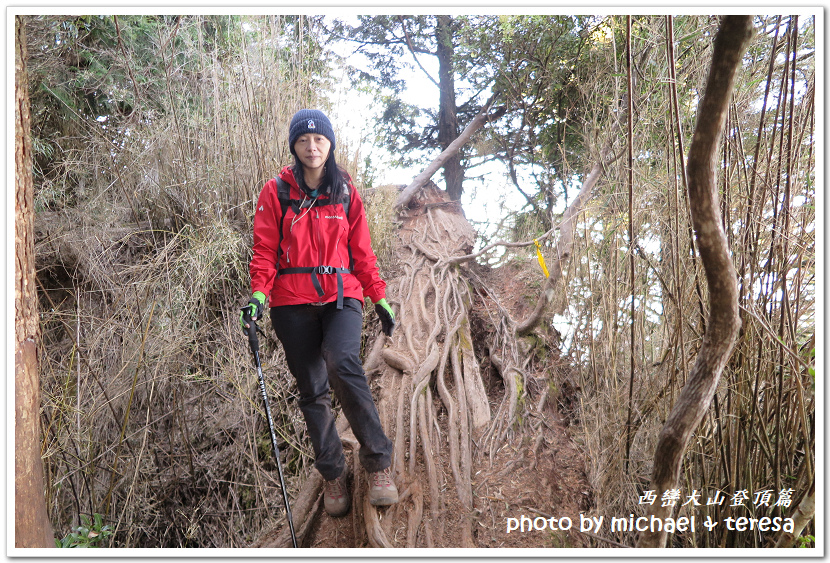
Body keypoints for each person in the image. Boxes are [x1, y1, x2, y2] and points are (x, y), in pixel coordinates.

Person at [241, 109, 398, 517]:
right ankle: (332, 472)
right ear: (294, 145)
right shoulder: (275, 191)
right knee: (312, 389)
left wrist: (378, 296)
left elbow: (362, 251)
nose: (313, 147)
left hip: (341, 294)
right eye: (304, 140)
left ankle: (379, 462)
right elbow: (264, 252)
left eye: (320, 140)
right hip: (290, 303)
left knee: (342, 360)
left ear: (330, 144)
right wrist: (259, 295)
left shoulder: (345, 191)